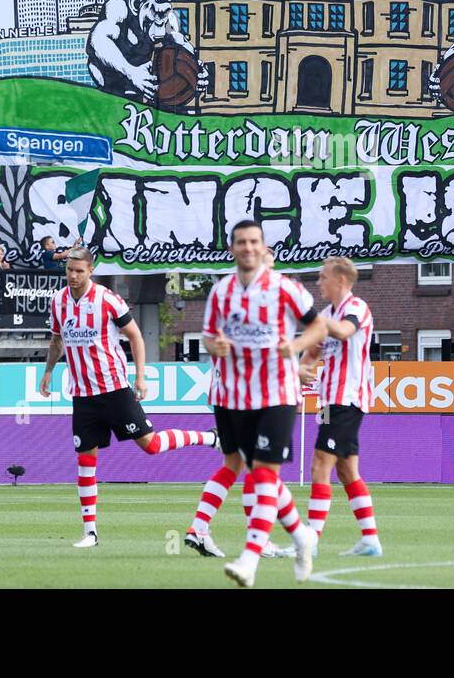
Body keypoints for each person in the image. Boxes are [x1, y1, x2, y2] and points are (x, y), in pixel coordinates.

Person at [37, 248, 216, 550]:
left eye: (79, 270)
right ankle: (90, 532)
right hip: (82, 394)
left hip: (114, 388)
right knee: (85, 459)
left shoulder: (107, 299)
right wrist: (48, 371)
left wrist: (140, 376)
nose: (73, 275)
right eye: (69, 270)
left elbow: (135, 336)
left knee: (152, 446)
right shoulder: (58, 302)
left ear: (91, 270)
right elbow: (56, 340)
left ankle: (210, 438)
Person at [202, 220, 326, 587]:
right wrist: (215, 346)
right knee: (258, 474)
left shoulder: (283, 289)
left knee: (266, 475)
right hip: (236, 397)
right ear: (232, 248)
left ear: (262, 246)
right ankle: (302, 536)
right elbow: (209, 337)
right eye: (241, 242)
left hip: (278, 394)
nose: (248, 248)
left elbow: (319, 327)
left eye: (254, 241)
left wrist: (297, 346)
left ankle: (249, 560)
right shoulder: (221, 292)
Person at [300, 257, 383, 556]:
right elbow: (311, 351)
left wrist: (314, 319)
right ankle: (370, 539)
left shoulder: (356, 307)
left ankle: (309, 541)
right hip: (328, 401)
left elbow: (344, 332)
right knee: (347, 471)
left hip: (347, 398)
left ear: (340, 280)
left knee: (320, 464)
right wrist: (301, 368)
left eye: (323, 277)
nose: (318, 282)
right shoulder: (326, 313)